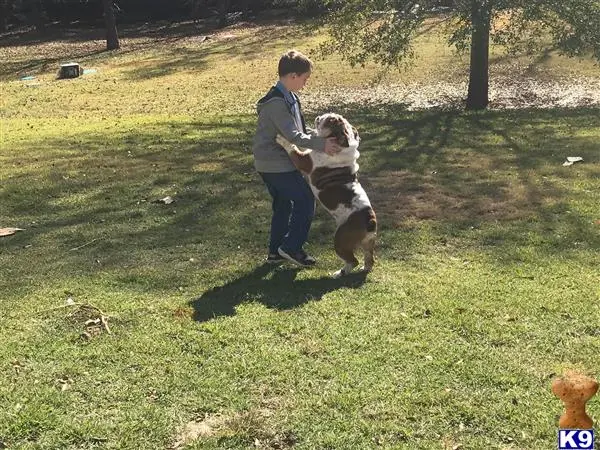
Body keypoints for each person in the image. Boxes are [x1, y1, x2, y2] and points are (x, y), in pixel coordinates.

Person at [252, 49, 341, 267]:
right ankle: (291, 248)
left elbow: (300, 129)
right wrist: (322, 145)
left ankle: (275, 253)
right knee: (305, 199)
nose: (305, 83)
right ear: (292, 76)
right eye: (304, 79)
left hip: (275, 163)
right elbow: (293, 136)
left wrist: (321, 137)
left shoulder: (290, 97)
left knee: (283, 205)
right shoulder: (276, 103)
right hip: (274, 164)